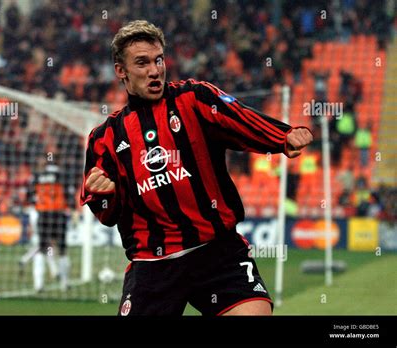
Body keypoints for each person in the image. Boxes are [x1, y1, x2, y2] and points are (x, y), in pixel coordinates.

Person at [80, 20, 313, 316]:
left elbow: (239, 118)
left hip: (217, 253)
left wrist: (281, 137)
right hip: (154, 266)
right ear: (120, 70)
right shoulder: (105, 138)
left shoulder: (194, 98)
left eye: (159, 60)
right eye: (142, 63)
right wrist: (103, 195)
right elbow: (106, 215)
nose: (155, 70)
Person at [27, 156, 76, 292]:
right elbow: (70, 197)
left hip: (43, 215)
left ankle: (38, 284)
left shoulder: (36, 176)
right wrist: (72, 211)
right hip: (58, 215)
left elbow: (29, 197)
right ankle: (65, 284)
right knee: (62, 250)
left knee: (42, 249)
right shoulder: (62, 176)